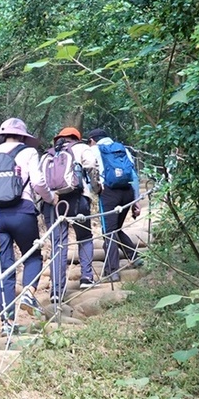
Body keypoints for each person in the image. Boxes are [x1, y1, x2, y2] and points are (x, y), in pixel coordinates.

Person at [0, 118, 53, 333]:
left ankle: (6, 324)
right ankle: (28, 293)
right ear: (23, 136)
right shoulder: (28, 153)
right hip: (22, 212)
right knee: (33, 255)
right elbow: (37, 182)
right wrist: (50, 198)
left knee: (3, 271)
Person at [41, 127, 97, 302]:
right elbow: (91, 166)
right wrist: (96, 188)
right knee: (85, 237)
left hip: (53, 202)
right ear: (76, 137)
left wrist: (47, 200)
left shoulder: (47, 154)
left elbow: (39, 181)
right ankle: (86, 278)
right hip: (77, 199)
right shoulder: (81, 148)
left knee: (59, 244)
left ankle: (56, 291)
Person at [86, 128, 142, 279]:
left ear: (92, 140)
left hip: (109, 193)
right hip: (127, 191)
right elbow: (134, 176)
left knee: (108, 232)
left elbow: (91, 172)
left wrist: (96, 190)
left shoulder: (94, 150)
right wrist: (136, 202)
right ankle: (134, 256)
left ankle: (112, 271)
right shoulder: (122, 148)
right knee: (115, 228)